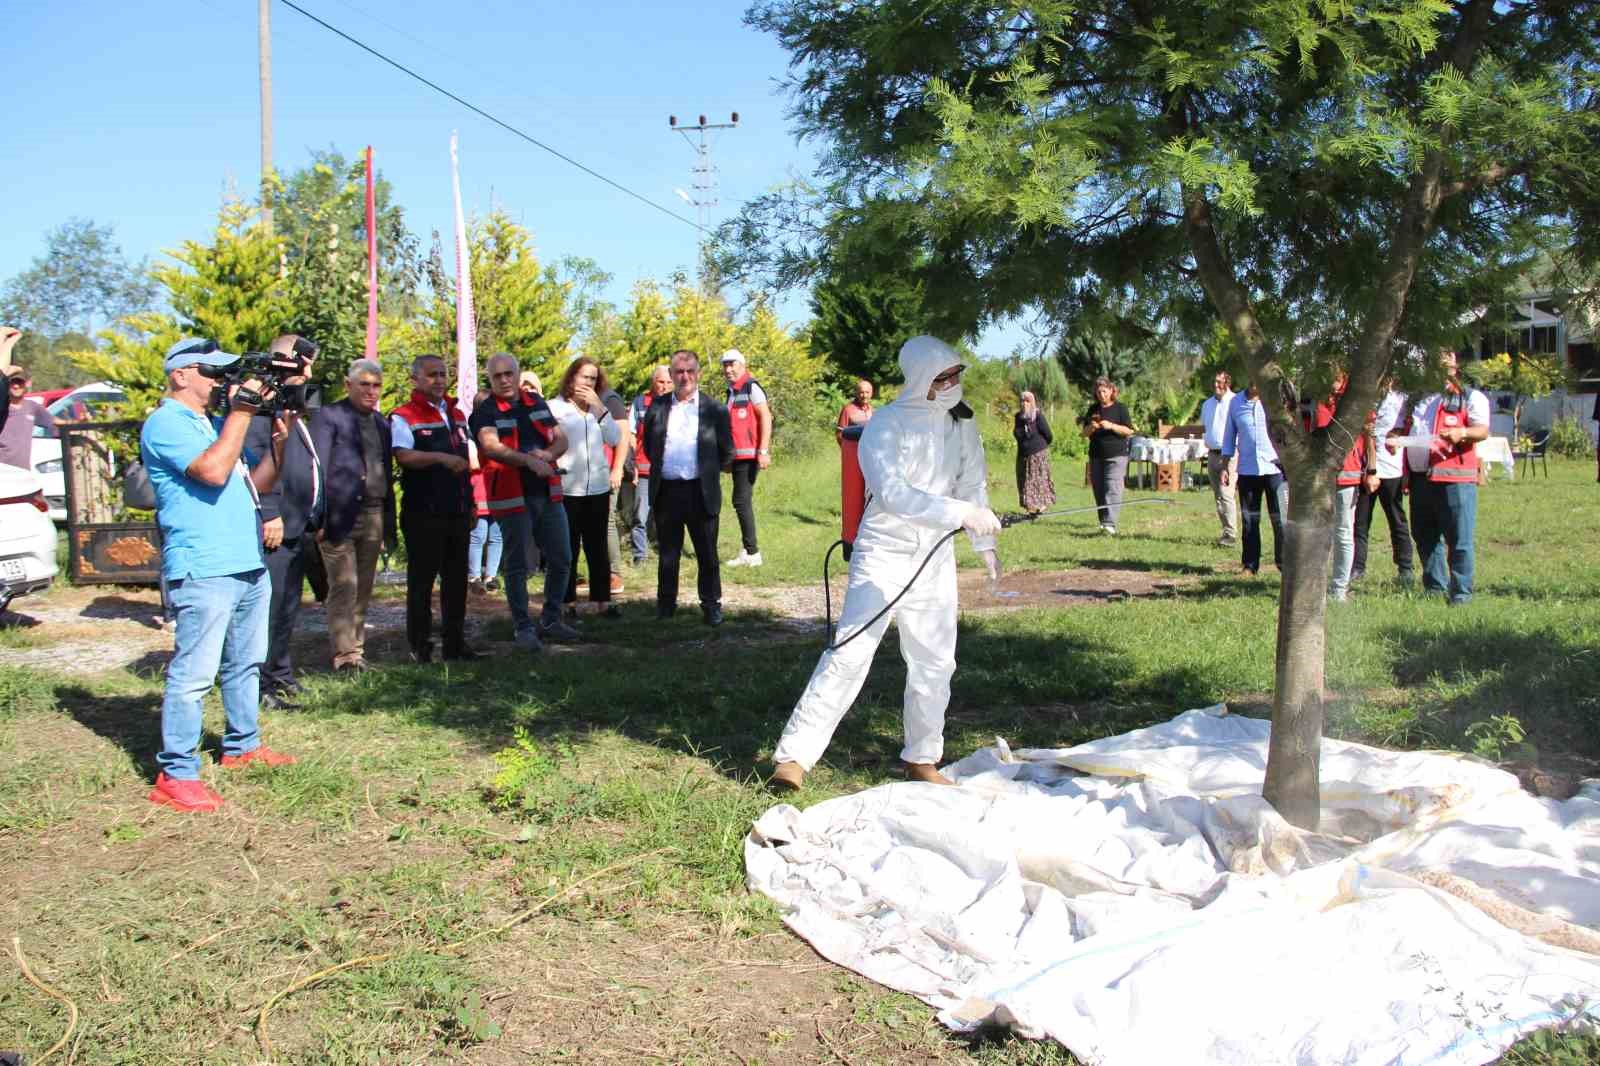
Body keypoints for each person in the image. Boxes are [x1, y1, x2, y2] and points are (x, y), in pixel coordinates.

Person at [769, 336, 1001, 791]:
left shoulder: (962, 424)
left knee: (935, 660)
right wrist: (960, 514)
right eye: (943, 377)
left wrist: (984, 545)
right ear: (920, 380)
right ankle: (793, 758)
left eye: (957, 374)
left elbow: (972, 481)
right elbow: (893, 494)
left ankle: (922, 758)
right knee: (852, 650)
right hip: (884, 550)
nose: (954, 383)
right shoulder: (886, 425)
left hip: (935, 554)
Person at [140, 337, 299, 812]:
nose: (219, 382)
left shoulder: (210, 423)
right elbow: (210, 472)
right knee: (194, 675)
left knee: (245, 662)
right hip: (205, 566)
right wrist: (244, 413)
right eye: (210, 373)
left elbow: (257, 482)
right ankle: (177, 773)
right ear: (180, 375)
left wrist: (279, 444)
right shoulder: (166, 423)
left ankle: (242, 746)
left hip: (245, 560)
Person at [470, 352, 578, 647]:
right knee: (517, 565)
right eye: (497, 376)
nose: (504, 380)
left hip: (548, 492)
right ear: (489, 379)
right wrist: (528, 462)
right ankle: (522, 627)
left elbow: (561, 439)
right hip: (510, 495)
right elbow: (491, 447)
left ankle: (551, 619)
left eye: (509, 374)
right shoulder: (485, 411)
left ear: (518, 374)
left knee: (562, 557)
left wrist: (547, 454)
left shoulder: (536, 403)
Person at [244, 334, 325, 710]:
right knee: (270, 608)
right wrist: (270, 511)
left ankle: (280, 673)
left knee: (288, 606)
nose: (310, 371)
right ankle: (258, 685)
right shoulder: (260, 407)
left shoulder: (290, 408)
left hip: (298, 526)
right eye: (306, 363)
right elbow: (256, 461)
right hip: (275, 525)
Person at [309, 358, 395, 672]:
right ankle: (345, 656)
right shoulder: (328, 417)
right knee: (343, 585)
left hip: (373, 513)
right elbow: (315, 469)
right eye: (365, 385)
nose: (372, 391)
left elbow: (386, 468)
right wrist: (317, 517)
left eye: (376, 385)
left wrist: (387, 521)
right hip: (339, 514)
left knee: (364, 586)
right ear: (349, 385)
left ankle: (355, 650)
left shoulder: (382, 423)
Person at [391, 354, 478, 662]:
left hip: (456, 510)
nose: (439, 380)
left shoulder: (457, 414)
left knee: (456, 581)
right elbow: (403, 456)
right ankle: (420, 646)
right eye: (432, 375)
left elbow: (466, 463)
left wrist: (471, 503)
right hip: (423, 512)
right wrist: (441, 459)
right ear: (415, 379)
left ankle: (455, 645)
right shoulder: (404, 415)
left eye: (443, 374)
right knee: (422, 583)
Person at [1387, 349, 1489, 605]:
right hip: (1420, 478)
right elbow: (1401, 427)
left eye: (1445, 366)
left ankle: (1461, 593)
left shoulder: (1469, 396)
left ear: (1455, 368)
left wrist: (1463, 432)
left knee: (1459, 537)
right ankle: (1434, 588)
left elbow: (1482, 430)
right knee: (1424, 534)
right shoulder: (1416, 399)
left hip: (1455, 478)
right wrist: (1394, 437)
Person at [642, 349, 733, 625]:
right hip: (667, 491)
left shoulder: (714, 409)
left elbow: (727, 450)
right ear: (671, 375)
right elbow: (648, 446)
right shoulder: (657, 407)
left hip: (700, 491)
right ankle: (666, 606)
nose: (684, 377)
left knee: (707, 554)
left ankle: (711, 605)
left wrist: (707, 470)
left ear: (698, 374)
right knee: (668, 554)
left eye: (689, 371)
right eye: (679, 372)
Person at [547, 357, 623, 619]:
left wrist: (600, 407)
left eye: (593, 378)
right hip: (568, 487)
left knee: (597, 545)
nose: (588, 383)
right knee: (568, 547)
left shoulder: (597, 410)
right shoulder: (554, 407)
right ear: (571, 378)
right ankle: (566, 602)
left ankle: (601, 601)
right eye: (583, 377)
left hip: (598, 488)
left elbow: (615, 438)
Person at [1221, 381, 1288, 576]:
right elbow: (1228, 436)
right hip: (1248, 469)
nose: (1254, 382)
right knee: (1250, 520)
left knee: (1279, 519)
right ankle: (1250, 565)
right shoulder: (1235, 403)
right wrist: (1225, 466)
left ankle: (1284, 564)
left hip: (1274, 468)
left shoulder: (1274, 401)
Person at [1352, 379, 1414, 585]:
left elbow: (1410, 426)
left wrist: (1399, 434)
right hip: (1365, 471)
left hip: (1391, 470)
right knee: (1360, 523)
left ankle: (1405, 568)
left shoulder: (1401, 399)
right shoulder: (1364, 396)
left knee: (1397, 520)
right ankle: (1357, 568)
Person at [720, 349, 772, 568]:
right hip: (737, 456)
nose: (728, 369)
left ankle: (753, 553)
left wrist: (763, 451)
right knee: (740, 501)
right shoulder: (732, 391)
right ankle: (746, 549)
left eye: (732, 364)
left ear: (742, 364)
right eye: (725, 365)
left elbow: (766, 417)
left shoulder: (751, 386)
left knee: (741, 501)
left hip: (750, 455)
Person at [626, 366, 672, 564]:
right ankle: (640, 556)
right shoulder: (639, 402)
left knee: (670, 514)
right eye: (661, 382)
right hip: (644, 467)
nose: (665, 386)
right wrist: (632, 464)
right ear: (653, 381)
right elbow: (630, 434)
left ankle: (668, 552)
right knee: (640, 515)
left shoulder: (678, 402)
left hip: (670, 468)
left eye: (669, 382)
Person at [1081, 377, 1134, 534]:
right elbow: (1083, 433)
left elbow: (1129, 431)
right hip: (1096, 455)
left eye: (1104, 391)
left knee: (1112, 488)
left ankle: (1110, 523)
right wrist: (1091, 427)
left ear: (1111, 391)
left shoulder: (1120, 409)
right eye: (1098, 392)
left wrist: (1111, 426)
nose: (1101, 394)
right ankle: (1104, 522)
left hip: (1116, 455)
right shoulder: (1093, 409)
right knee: (1099, 489)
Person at [1200, 371, 1238, 547]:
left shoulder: (1235, 401)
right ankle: (1225, 530)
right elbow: (1206, 427)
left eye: (1220, 382)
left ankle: (1231, 533)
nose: (1216, 385)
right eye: (1214, 382)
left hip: (1229, 454)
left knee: (1226, 493)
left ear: (1228, 383)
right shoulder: (1207, 404)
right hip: (1212, 453)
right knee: (1217, 496)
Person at [0, 362, 55, 470]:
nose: (16, 386)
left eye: (19, 382)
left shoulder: (32, 407)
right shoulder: (2, 407)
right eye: (13, 382)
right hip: (2, 469)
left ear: (27, 384)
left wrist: (78, 423)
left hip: (23, 471)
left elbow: (54, 421)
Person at [1013, 390, 1055, 514]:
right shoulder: (1018, 417)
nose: (1024, 403)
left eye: (1027, 401)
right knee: (1023, 479)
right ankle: (1029, 506)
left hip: (1037, 453)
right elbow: (1018, 434)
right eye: (1022, 401)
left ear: (1032, 402)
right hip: (1023, 454)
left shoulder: (1038, 416)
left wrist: (1040, 447)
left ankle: (1040, 505)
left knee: (1037, 480)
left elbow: (1048, 435)